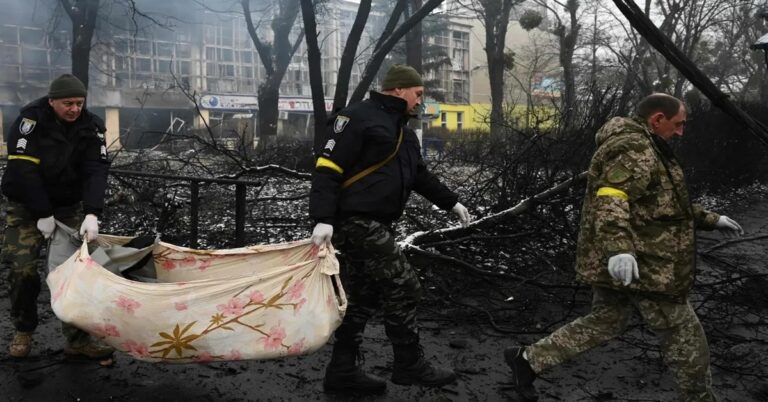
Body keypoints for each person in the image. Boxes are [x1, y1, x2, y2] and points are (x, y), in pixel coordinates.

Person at [504, 93, 744, 401]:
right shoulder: (634, 148)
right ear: (657, 119)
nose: (681, 132)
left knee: (607, 320)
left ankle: (526, 361)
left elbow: (662, 203)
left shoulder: (647, 145)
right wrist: (620, 249)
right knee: (683, 334)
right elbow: (611, 197)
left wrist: (712, 219)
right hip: (644, 263)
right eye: (678, 124)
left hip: (630, 259)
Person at [309, 64, 471, 394]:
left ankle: (342, 370)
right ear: (398, 90)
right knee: (405, 285)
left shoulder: (404, 133)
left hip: (378, 223)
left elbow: (420, 177)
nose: (420, 101)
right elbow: (327, 168)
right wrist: (323, 218)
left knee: (363, 297)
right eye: (418, 94)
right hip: (355, 221)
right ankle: (409, 364)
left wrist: (451, 202)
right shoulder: (356, 118)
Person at [2, 73, 113, 360]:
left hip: (67, 207)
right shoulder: (31, 122)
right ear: (52, 101)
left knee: (76, 273)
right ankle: (23, 330)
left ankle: (77, 340)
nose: (75, 109)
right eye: (68, 103)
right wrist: (42, 214)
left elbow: (96, 170)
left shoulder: (91, 125)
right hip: (27, 207)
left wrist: (91, 212)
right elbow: (23, 171)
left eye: (79, 102)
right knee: (22, 270)